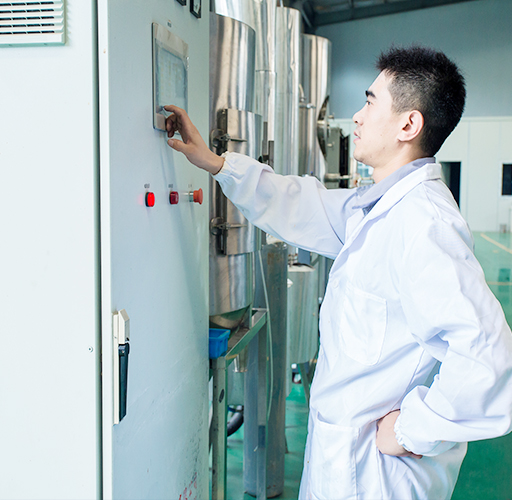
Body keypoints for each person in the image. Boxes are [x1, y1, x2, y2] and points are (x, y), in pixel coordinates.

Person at [165, 46, 512, 499]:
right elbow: (300, 204)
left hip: (378, 477)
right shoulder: (379, 208)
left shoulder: (425, 225)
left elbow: (488, 359)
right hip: (344, 461)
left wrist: (411, 429)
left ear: (409, 125)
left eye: (370, 102)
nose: (358, 117)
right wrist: (216, 163)